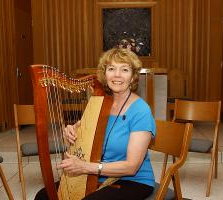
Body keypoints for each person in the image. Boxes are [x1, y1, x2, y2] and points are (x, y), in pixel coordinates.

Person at [58, 47, 156, 200]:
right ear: (105, 75)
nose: (117, 75)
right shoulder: (99, 104)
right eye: (111, 69)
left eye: (124, 69)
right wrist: (71, 132)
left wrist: (85, 167)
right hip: (97, 175)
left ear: (132, 77)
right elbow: (82, 138)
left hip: (133, 180)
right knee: (44, 195)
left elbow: (131, 167)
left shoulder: (141, 111)